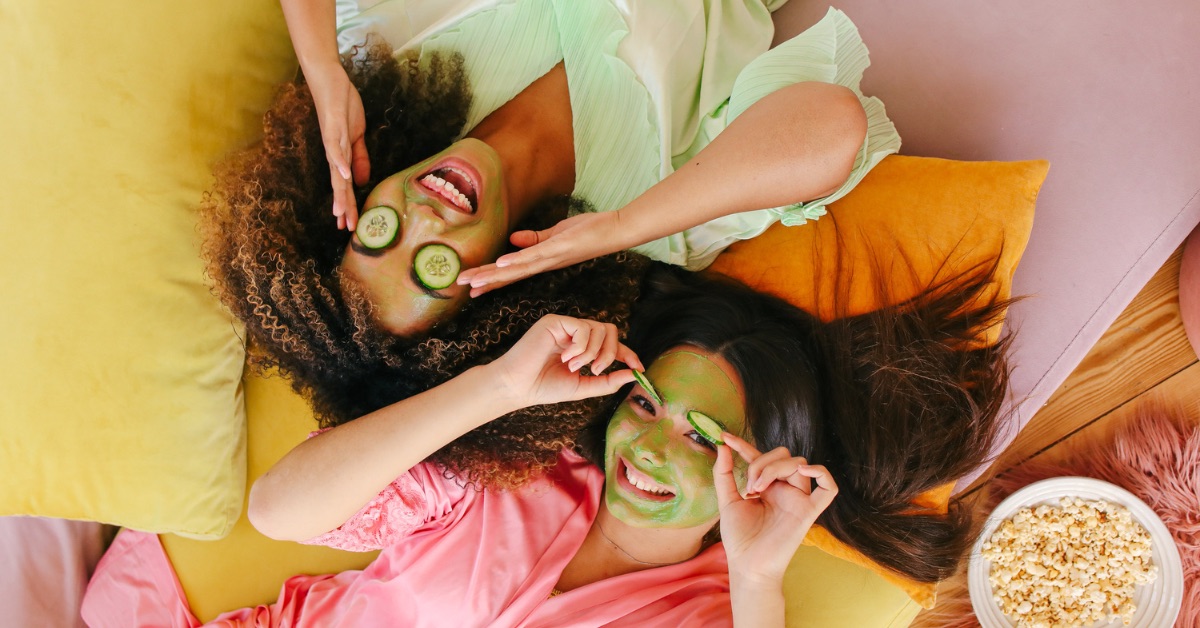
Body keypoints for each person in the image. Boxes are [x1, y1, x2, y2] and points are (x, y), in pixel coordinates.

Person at [200, 0, 899, 482]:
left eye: (378, 235)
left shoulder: (388, 56)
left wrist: (321, 65)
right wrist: (625, 226)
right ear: (490, 299)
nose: (424, 217)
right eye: (435, 269)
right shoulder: (658, 215)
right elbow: (833, 125)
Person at [81, 266, 1013, 626]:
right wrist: (494, 389)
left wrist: (760, 579)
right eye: (646, 405)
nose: (648, 450)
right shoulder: (520, 469)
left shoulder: (710, 613)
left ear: (757, 471)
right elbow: (281, 511)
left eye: (702, 437)